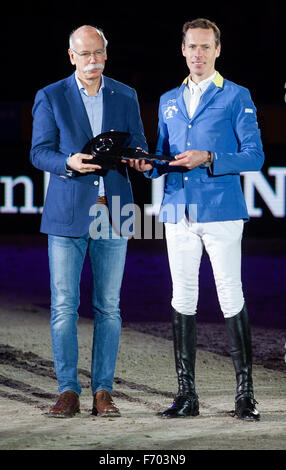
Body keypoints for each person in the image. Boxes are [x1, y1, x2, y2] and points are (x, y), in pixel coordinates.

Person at [130, 18, 264, 420]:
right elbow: (164, 156)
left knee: (230, 295)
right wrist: (147, 166)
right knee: (182, 297)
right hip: (176, 210)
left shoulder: (236, 95)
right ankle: (186, 395)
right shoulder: (170, 98)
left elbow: (254, 156)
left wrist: (210, 158)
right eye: (192, 47)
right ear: (183, 49)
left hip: (221, 211)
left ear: (217, 50)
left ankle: (245, 395)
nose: (199, 54)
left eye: (206, 47)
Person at [30, 25, 147, 418]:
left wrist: (141, 160)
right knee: (64, 305)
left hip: (114, 210)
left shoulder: (125, 94)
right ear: (71, 56)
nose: (92, 61)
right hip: (67, 213)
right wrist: (67, 162)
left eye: (98, 53)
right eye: (84, 54)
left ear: (106, 54)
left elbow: (138, 146)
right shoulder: (50, 96)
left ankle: (103, 392)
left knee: (109, 307)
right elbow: (39, 153)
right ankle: (68, 391)